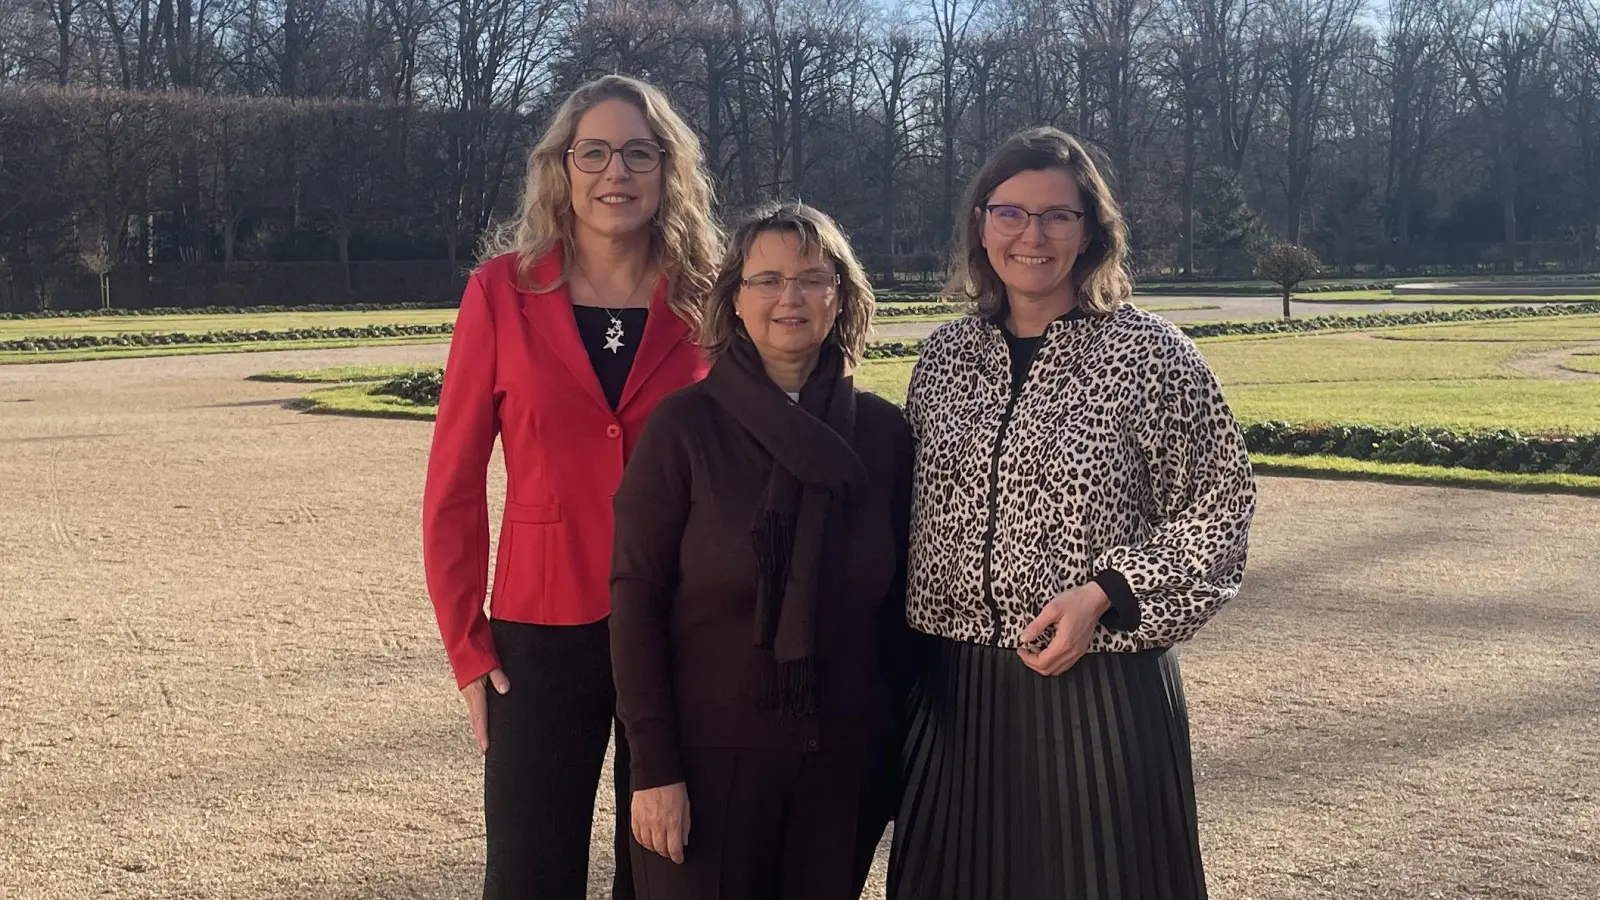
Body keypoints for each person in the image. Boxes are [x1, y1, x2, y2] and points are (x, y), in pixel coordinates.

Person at [886, 127, 1258, 900]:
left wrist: (1106, 594)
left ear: (1090, 231)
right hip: (954, 694)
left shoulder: (1149, 354)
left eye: (1058, 215)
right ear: (981, 224)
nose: (1033, 235)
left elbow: (1222, 505)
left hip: (1101, 691)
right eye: (1011, 213)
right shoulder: (944, 359)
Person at [422, 74, 721, 900]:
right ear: (562, 166)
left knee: (665, 873)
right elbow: (452, 486)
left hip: (681, 624)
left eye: (639, 153)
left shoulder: (711, 299)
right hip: (540, 629)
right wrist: (467, 646)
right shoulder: (499, 292)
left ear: (669, 170)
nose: (615, 172)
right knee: (528, 875)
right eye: (594, 152)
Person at [608, 202, 912, 900]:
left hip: (840, 768)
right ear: (735, 300)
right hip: (703, 764)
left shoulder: (883, 435)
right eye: (767, 280)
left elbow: (902, 607)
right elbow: (635, 601)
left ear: (841, 296)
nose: (789, 298)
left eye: (812, 279)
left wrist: (891, 752)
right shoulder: (684, 428)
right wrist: (653, 769)